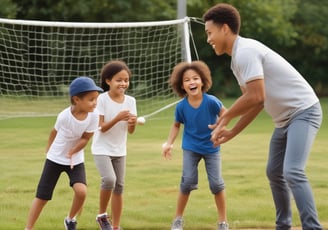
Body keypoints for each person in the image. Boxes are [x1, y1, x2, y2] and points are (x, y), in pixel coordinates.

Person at [203, 3, 323, 230]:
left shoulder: (246, 50)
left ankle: (312, 227)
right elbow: (254, 104)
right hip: (284, 120)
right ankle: (283, 225)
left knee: (293, 171)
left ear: (225, 29)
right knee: (274, 171)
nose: (208, 39)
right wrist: (232, 132)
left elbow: (256, 97)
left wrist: (226, 117)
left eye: (210, 32)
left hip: (304, 112)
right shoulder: (236, 61)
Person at [25, 76, 103, 230]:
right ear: (76, 99)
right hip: (54, 159)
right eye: (91, 99)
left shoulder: (94, 115)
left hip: (75, 159)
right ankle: (28, 228)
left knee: (81, 192)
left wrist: (74, 151)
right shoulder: (64, 116)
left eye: (96, 99)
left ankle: (70, 219)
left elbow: (86, 138)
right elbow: (53, 133)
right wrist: (49, 152)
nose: (95, 102)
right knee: (42, 197)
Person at [162, 61, 228, 230]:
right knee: (187, 182)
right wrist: (169, 143)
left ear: (202, 81)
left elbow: (226, 114)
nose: (192, 82)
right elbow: (176, 125)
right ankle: (177, 219)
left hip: (211, 147)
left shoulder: (211, 101)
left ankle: (222, 222)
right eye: (187, 80)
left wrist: (220, 127)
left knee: (217, 184)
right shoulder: (181, 106)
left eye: (195, 78)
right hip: (191, 147)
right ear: (182, 85)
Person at [91, 60, 137, 230]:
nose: (123, 83)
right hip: (101, 148)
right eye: (119, 80)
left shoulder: (131, 101)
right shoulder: (101, 99)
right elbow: (101, 128)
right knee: (109, 179)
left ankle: (116, 226)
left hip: (120, 149)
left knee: (119, 186)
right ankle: (102, 216)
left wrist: (132, 122)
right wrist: (118, 117)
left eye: (126, 80)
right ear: (108, 81)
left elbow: (130, 131)